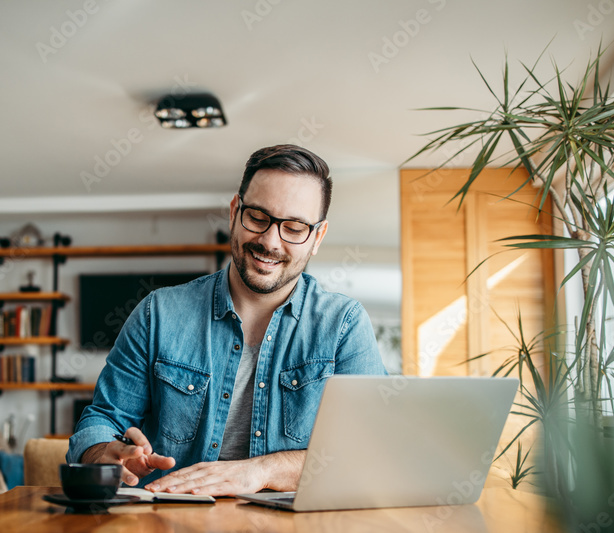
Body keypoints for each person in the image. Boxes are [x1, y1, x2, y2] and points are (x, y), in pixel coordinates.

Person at [67, 144, 386, 495]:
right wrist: (102, 453)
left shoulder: (344, 325)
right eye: (257, 218)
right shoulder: (157, 313)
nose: (269, 241)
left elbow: (371, 452)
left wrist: (261, 471)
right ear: (235, 212)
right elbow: (101, 421)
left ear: (317, 238)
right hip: (169, 532)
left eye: (293, 227)